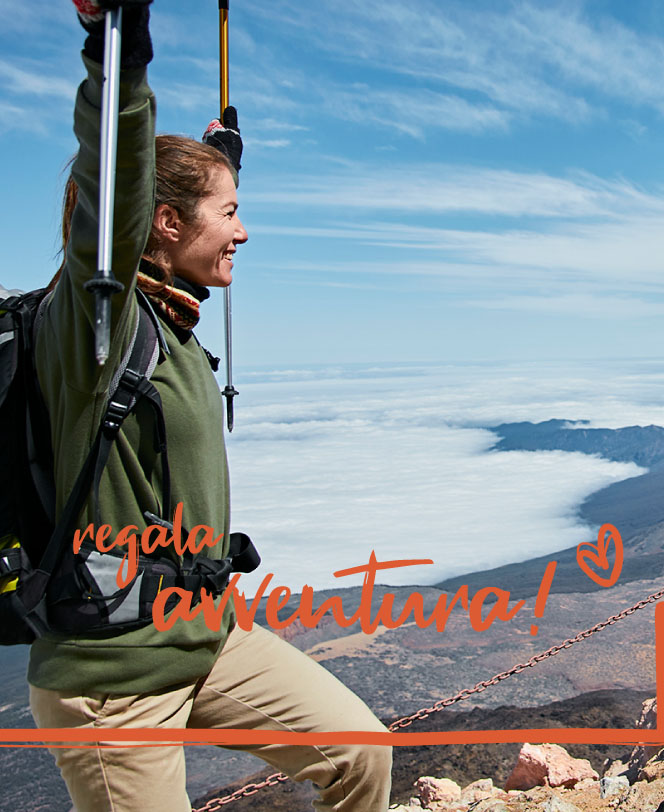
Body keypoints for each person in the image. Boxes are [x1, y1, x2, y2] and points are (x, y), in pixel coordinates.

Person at [27, 3, 392, 810]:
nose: (245, 233)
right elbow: (114, 172)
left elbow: (169, 196)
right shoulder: (97, 323)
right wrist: (117, 43)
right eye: (230, 215)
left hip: (207, 637)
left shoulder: (173, 316)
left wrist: (215, 165)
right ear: (161, 223)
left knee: (360, 754)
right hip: (116, 682)